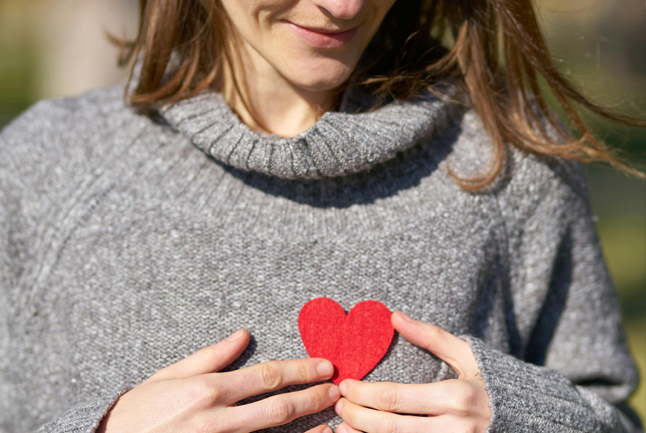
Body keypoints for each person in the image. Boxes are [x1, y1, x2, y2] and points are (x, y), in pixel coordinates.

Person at [0, 0, 644, 432]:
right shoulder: (47, 165)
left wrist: (518, 419)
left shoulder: (509, 158)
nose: (343, 6)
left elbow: (607, 412)